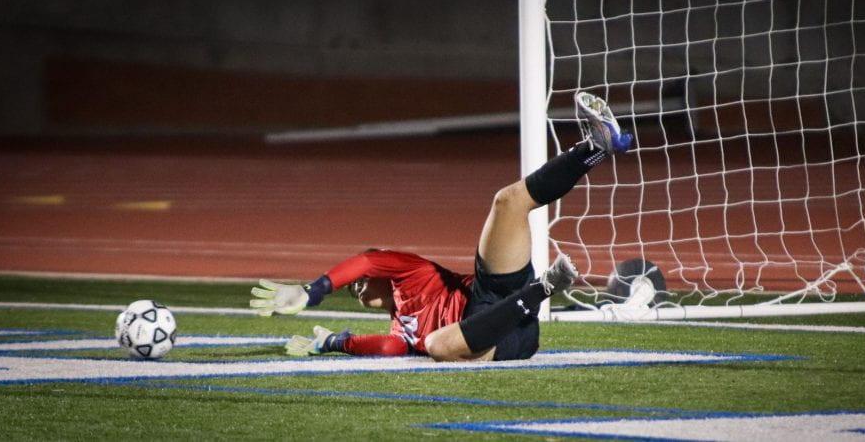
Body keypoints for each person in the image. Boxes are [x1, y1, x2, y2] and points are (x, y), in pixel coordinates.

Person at [250, 92, 633, 362]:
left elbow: (367, 261)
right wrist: (334, 342)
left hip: (491, 292)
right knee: (436, 346)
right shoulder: (400, 331)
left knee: (507, 202)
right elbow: (388, 349)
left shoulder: (409, 273)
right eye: (353, 289)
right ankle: (544, 289)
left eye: (359, 282)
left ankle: (596, 146)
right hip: (501, 337)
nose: (356, 286)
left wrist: (313, 290)